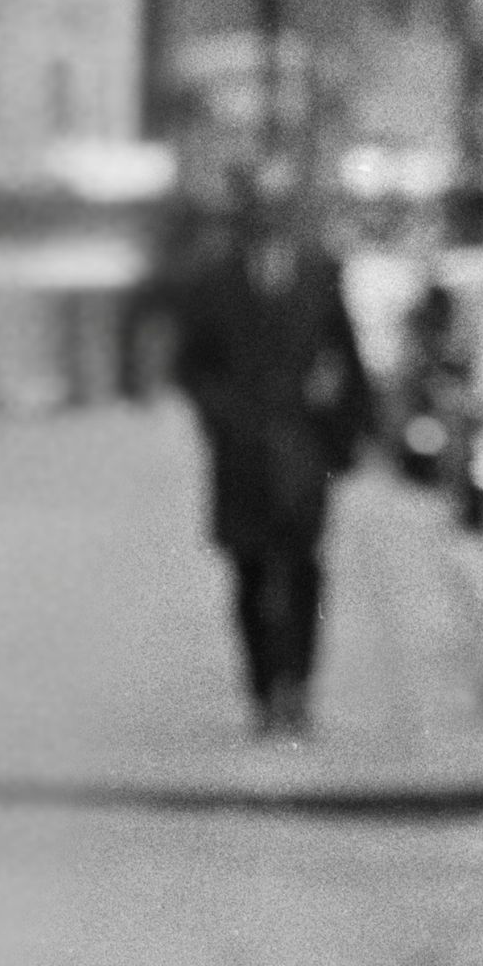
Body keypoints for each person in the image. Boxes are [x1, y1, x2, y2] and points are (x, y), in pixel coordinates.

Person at [167, 166, 373, 739]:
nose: (271, 219)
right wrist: (223, 418)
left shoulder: (321, 273)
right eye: (261, 209)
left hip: (303, 450)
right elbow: (190, 366)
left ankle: (298, 690)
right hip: (240, 456)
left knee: (304, 569)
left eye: (281, 208)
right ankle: (262, 691)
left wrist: (342, 436)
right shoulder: (215, 279)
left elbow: (349, 361)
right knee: (249, 571)